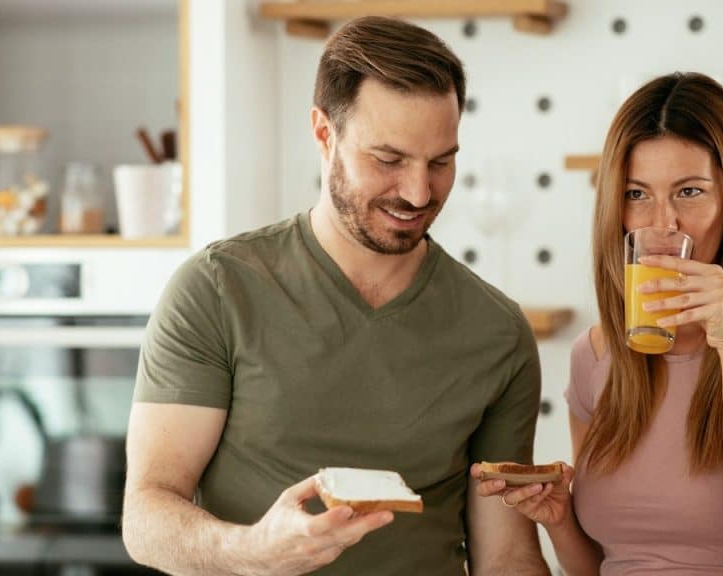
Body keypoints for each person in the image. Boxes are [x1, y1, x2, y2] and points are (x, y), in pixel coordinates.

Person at [121, 16, 550, 576]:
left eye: (441, 161)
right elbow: (146, 515)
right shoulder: (216, 289)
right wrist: (252, 551)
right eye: (389, 160)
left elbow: (507, 556)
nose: (419, 192)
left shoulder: (497, 331)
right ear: (324, 134)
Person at [475, 72, 723, 575]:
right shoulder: (594, 355)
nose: (662, 224)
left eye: (689, 192)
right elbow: (603, 565)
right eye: (637, 195)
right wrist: (562, 520)